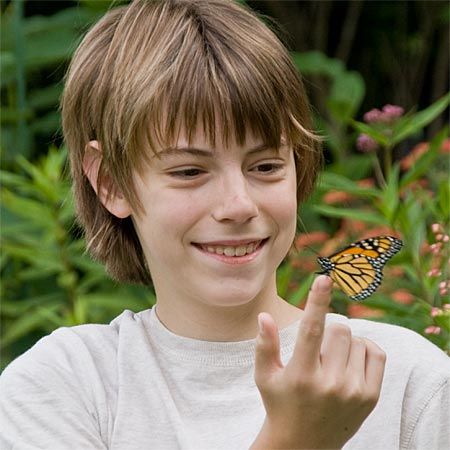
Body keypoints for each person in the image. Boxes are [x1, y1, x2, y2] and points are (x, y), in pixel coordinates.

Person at [1, 0, 449, 449]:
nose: (238, 205)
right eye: (189, 171)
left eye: (266, 165)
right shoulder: (64, 386)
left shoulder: (408, 379)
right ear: (110, 182)